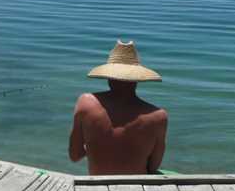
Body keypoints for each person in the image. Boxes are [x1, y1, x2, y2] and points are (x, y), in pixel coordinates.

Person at [68, 40, 167, 175]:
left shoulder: (86, 103)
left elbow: (75, 155)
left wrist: (95, 145)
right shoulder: (158, 116)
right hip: (137, 188)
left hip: (97, 187)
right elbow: (153, 167)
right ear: (137, 79)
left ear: (108, 77)